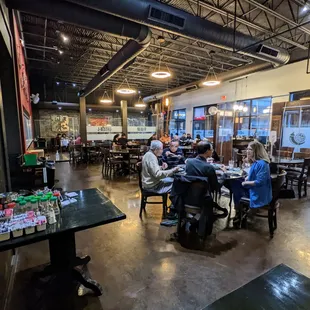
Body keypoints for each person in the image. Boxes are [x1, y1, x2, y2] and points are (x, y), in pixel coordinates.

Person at [231, 140, 272, 224]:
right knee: (235, 183)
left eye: (250, 149)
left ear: (257, 151)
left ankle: (239, 212)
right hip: (258, 189)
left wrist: (245, 183)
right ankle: (240, 210)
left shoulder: (262, 164)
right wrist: (247, 177)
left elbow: (259, 182)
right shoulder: (258, 163)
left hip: (259, 194)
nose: (247, 151)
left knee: (235, 187)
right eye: (248, 149)